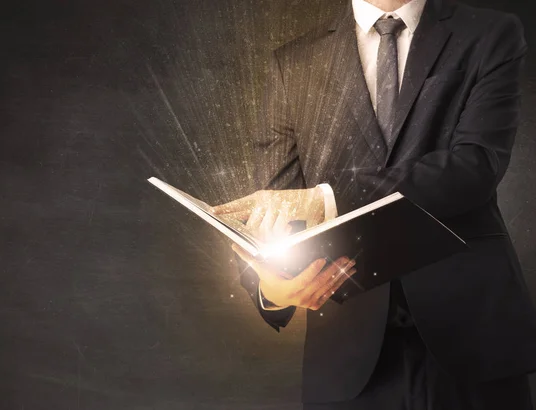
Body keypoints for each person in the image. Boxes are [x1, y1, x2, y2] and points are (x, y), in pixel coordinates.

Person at [211, 0, 536, 408]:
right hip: (346, 354)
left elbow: (476, 165)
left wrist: (326, 199)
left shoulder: (490, 33)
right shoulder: (291, 63)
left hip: (473, 336)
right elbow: (279, 208)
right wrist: (271, 289)